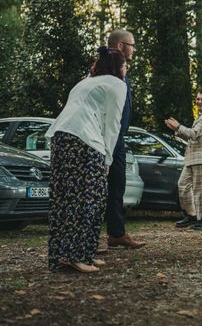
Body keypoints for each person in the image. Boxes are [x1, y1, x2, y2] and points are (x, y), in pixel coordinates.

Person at [46, 47, 127, 273]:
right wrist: (108, 159)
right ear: (117, 67)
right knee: (91, 198)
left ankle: (66, 254)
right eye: (124, 65)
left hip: (61, 136)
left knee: (65, 196)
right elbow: (113, 124)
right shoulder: (118, 85)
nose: (126, 69)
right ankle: (78, 256)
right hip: (84, 141)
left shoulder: (86, 81)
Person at [105, 29, 145, 249]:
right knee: (106, 186)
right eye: (132, 45)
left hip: (118, 136)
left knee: (117, 186)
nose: (134, 50)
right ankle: (109, 233)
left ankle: (116, 233)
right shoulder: (108, 70)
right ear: (120, 45)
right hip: (106, 136)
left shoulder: (119, 69)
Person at [166, 89, 202, 231]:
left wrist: (178, 126)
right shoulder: (200, 116)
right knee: (182, 185)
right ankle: (192, 215)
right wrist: (176, 130)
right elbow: (190, 136)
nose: (199, 101)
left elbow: (193, 134)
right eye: (198, 99)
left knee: (200, 190)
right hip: (191, 158)